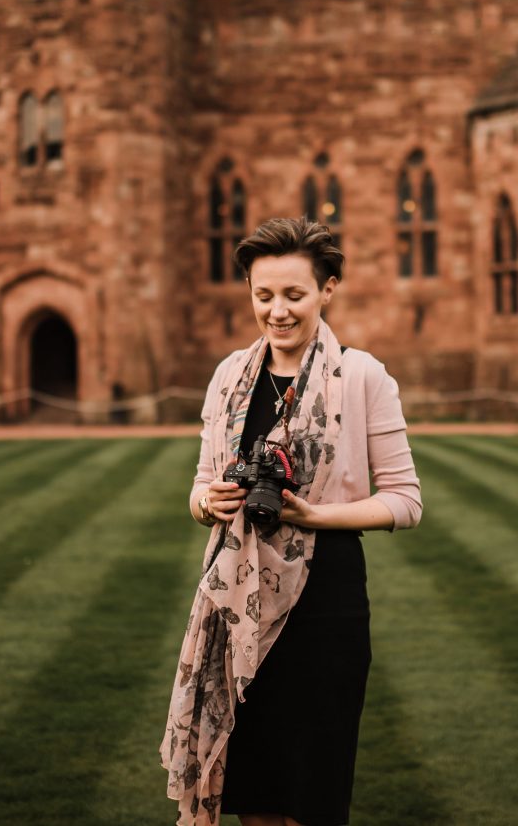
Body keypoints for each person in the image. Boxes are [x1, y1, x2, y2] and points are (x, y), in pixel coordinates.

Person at [162, 216, 423, 826]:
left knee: (313, 797)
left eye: (294, 295)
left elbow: (407, 501)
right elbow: (200, 488)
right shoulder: (230, 376)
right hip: (238, 606)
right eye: (263, 295)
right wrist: (210, 503)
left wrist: (315, 516)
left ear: (327, 289)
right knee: (253, 799)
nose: (277, 311)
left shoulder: (363, 376)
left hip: (325, 603)